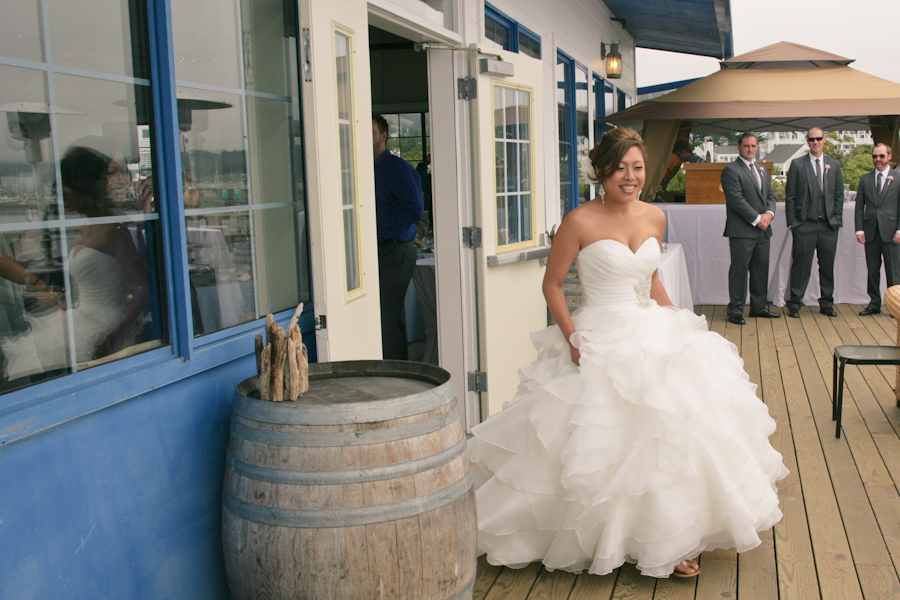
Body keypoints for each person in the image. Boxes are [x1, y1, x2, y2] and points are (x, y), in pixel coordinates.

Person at [469, 127, 788, 579]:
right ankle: (597, 533)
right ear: (601, 170)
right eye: (620, 167)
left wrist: (678, 321)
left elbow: (651, 279)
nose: (629, 176)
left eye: (637, 167)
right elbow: (552, 286)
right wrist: (573, 338)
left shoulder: (655, 217)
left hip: (650, 327)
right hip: (599, 331)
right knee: (595, 437)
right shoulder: (578, 221)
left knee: (671, 429)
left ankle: (674, 538)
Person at [372, 115, 424, 359]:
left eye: (371, 132)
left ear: (383, 136)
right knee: (386, 317)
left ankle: (396, 376)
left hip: (396, 251)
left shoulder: (397, 169)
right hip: (374, 252)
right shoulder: (360, 169)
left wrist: (372, 222)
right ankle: (401, 369)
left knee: (384, 318)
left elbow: (414, 211)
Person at [784, 128, 844, 318]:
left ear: (824, 140)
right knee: (801, 266)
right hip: (805, 224)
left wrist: (836, 220)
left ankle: (827, 303)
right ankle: (794, 303)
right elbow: (790, 196)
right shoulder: (797, 165)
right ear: (807, 141)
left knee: (827, 266)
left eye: (819, 138)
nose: (815, 142)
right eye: (812, 139)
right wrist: (793, 223)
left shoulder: (834, 165)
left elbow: (839, 196)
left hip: (828, 225)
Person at [722, 133, 779, 325]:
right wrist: (757, 219)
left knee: (760, 270)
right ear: (738, 147)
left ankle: (759, 307)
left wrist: (769, 215)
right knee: (739, 270)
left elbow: (771, 196)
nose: (750, 149)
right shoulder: (731, 170)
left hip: (763, 230)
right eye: (746, 146)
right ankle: (736, 310)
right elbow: (736, 200)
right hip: (742, 231)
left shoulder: (762, 170)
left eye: (753, 146)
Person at [854, 143, 900, 316]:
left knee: (894, 272)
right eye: (875, 156)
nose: (878, 160)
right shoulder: (865, 179)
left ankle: (895, 306)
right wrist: (859, 230)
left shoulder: (898, 178)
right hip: (871, 232)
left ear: (889, 156)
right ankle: (874, 304)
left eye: (881, 156)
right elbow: (859, 207)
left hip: (891, 233)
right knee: (872, 271)